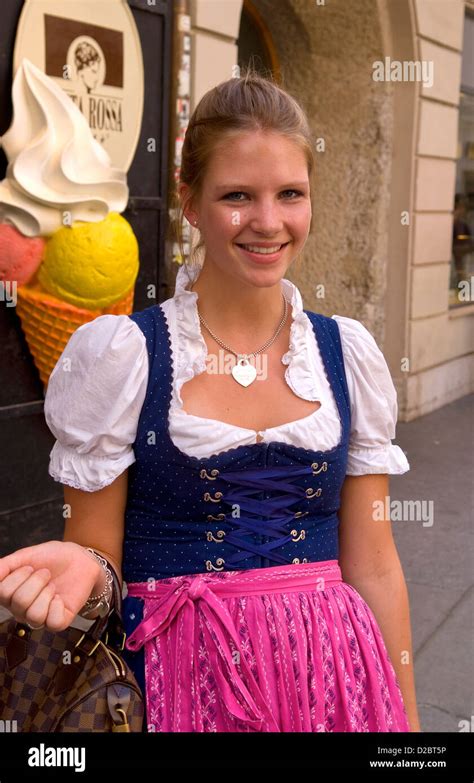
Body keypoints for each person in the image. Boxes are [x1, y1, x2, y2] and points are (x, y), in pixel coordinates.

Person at [0, 69, 420, 733]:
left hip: (332, 680)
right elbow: (99, 558)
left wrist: (405, 724)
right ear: (190, 201)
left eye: (290, 194)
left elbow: (373, 564)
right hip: (178, 681)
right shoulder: (130, 355)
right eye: (236, 196)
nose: (268, 221)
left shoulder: (348, 355)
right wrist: (80, 563)